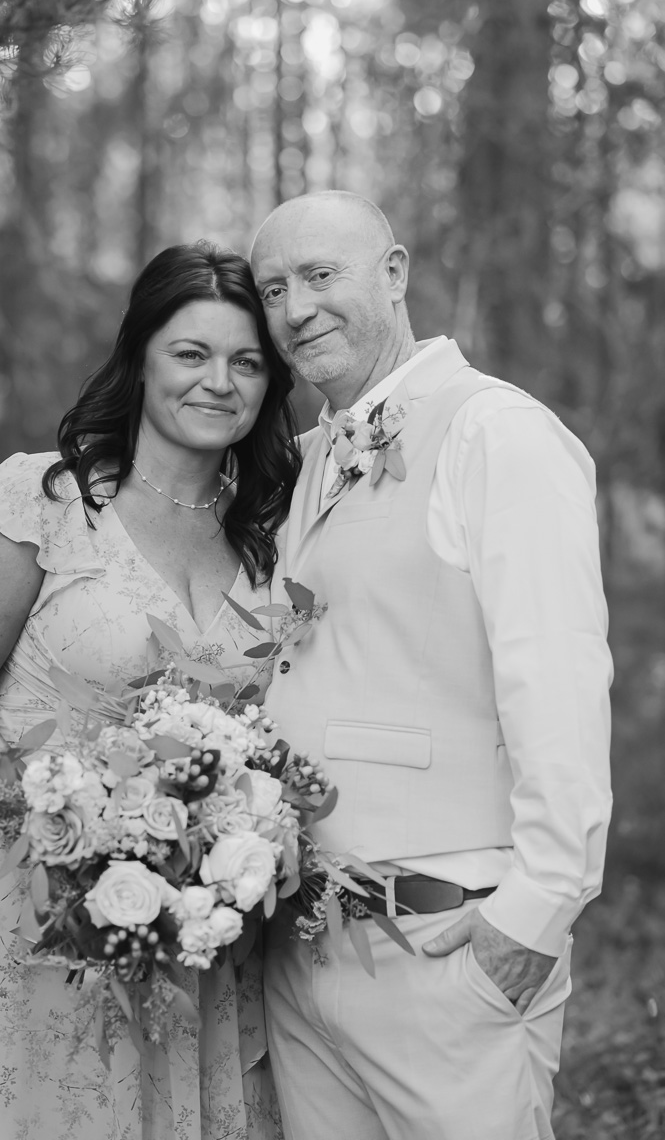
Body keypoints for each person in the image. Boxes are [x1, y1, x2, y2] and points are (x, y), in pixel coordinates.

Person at [0, 241, 300, 1140]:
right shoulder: (41, 499)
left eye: (246, 362)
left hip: (191, 923)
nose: (218, 381)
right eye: (190, 353)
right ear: (139, 358)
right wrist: (69, 837)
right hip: (25, 895)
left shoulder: (271, 539)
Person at [251, 191, 613, 1140]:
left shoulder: (496, 432)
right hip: (302, 949)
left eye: (319, 276)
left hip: (443, 950)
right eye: (273, 289)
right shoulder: (304, 460)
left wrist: (534, 914)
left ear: (395, 273)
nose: (296, 309)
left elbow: (557, 675)